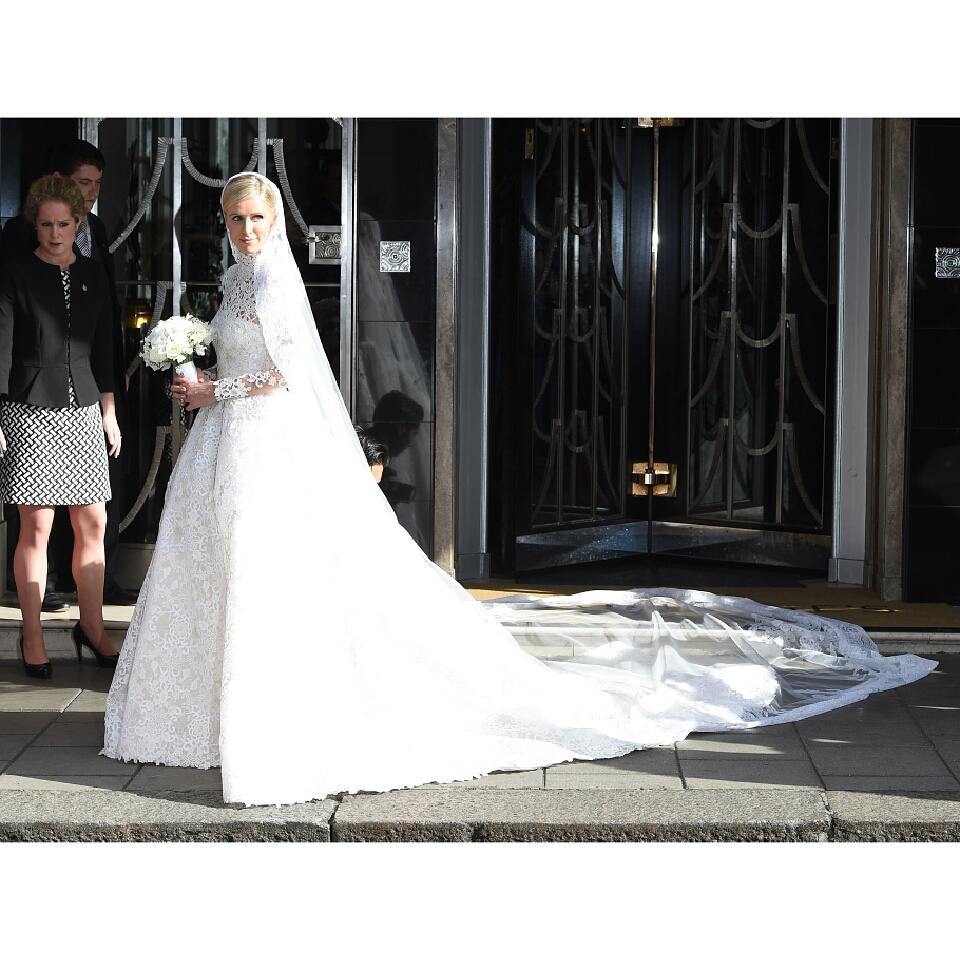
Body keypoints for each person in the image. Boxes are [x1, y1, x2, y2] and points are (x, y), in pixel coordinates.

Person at [101, 173, 936, 807]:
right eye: (237, 219)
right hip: (228, 447)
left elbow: (286, 377)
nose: (248, 230)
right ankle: (213, 718)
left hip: (263, 445)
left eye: (259, 218)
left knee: (269, 582)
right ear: (224, 222)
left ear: (275, 220)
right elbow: (249, 360)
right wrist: (202, 374)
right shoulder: (240, 279)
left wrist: (218, 391)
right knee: (228, 579)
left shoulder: (278, 281)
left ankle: (274, 725)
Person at [0, 140, 132, 608]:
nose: (57, 233)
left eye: (97, 184)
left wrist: (110, 404)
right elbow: (6, 340)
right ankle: (36, 609)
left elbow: (102, 334)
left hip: (84, 399)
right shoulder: (17, 258)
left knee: (92, 518)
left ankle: (92, 617)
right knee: (36, 521)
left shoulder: (94, 251)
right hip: (31, 400)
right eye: (84, 183)